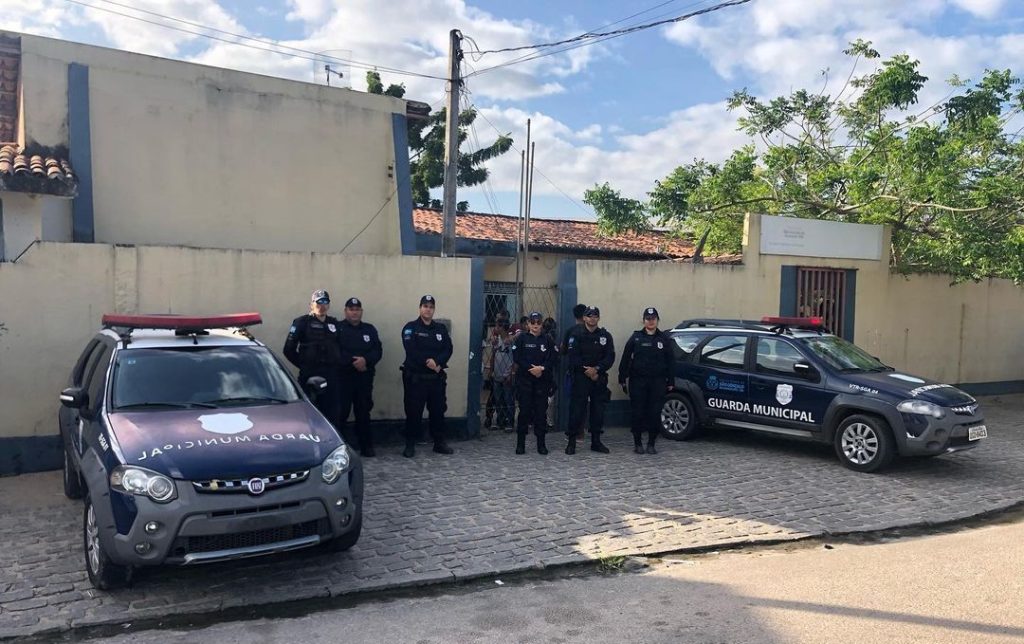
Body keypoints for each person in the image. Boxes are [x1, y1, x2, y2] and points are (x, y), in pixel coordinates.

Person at [401, 295, 454, 458]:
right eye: (425, 306)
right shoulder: (410, 328)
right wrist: (427, 362)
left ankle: (439, 443)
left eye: (431, 307)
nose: (428, 309)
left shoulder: (440, 329)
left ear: (434, 309)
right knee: (413, 413)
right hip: (416, 379)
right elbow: (411, 350)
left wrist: (437, 362)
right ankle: (410, 444)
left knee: (438, 412)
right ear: (420, 308)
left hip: (436, 379)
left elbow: (448, 348)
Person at [284, 289, 343, 430]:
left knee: (332, 413)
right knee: (309, 412)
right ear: (311, 304)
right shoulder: (301, 322)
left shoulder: (334, 324)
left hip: (330, 375)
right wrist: (304, 365)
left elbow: (341, 348)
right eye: (318, 302)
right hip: (309, 374)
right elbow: (288, 350)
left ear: (328, 305)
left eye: (325, 302)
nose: (321, 306)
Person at [618, 307, 674, 454]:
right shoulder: (636, 338)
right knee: (638, 413)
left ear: (657, 320)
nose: (651, 321)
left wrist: (671, 381)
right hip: (638, 381)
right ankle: (637, 443)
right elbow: (625, 359)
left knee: (655, 413)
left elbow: (670, 362)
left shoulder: (664, 339)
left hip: (658, 382)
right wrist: (622, 378)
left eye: (653, 319)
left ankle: (651, 443)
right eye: (648, 319)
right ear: (643, 321)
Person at [336, 297, 383, 457]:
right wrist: (352, 361)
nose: (354, 312)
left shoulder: (369, 329)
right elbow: (335, 351)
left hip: (364, 377)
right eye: (351, 309)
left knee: (363, 412)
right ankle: (339, 449)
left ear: (361, 311)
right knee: (341, 413)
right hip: (344, 378)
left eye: (357, 309)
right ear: (346, 311)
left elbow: (377, 350)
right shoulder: (338, 328)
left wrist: (366, 360)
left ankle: (366, 446)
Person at [564, 306, 615, 454]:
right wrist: (587, 371)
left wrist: (597, 369)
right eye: (589, 315)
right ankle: (572, 442)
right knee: (576, 410)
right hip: (581, 377)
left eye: (595, 316)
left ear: (599, 318)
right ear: (584, 318)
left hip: (598, 377)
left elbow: (610, 357)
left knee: (598, 410)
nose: (592, 318)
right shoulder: (576, 334)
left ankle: (596, 441)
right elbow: (573, 356)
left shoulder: (605, 336)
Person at [512, 311, 558, 455]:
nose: (536, 325)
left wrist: (542, 368)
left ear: (542, 324)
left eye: (538, 323)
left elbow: (553, 357)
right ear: (528, 324)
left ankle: (541, 444)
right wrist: (530, 368)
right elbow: (517, 356)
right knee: (524, 412)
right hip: (525, 380)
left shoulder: (547, 339)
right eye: (533, 323)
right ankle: (520, 444)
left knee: (540, 413)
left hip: (542, 381)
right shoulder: (521, 339)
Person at [489, 321, 515, 432]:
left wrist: (511, 374)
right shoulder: (496, 341)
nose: (495, 328)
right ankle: (500, 420)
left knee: (508, 399)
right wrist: (491, 370)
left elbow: (515, 359)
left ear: (502, 328)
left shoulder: (511, 342)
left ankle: (510, 422)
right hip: (497, 374)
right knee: (498, 399)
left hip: (507, 374)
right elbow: (493, 355)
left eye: (497, 326)